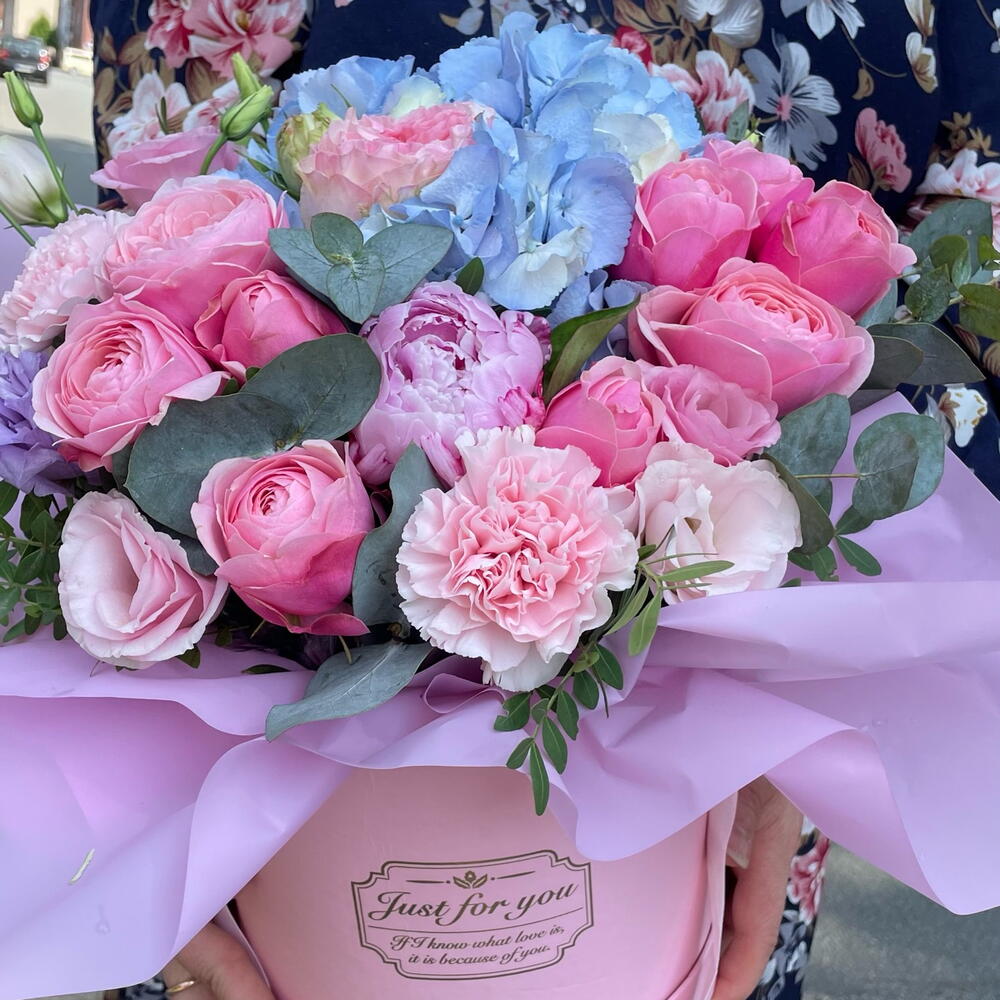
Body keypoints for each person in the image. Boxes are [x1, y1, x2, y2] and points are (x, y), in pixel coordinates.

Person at [86, 1, 1000, 998]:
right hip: (244, 837)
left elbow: (966, 263)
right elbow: (131, 254)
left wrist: (807, 708)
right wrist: (133, 810)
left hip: (734, 778)